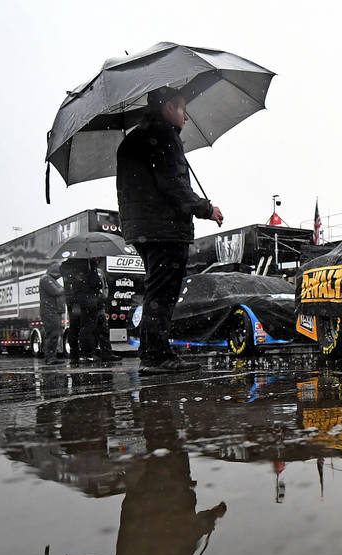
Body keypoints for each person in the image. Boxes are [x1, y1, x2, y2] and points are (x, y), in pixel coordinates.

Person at [116, 86, 224, 375]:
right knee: (163, 293)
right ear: (168, 109)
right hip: (165, 228)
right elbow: (173, 184)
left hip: (141, 229)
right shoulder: (164, 137)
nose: (186, 117)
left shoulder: (132, 141)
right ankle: (157, 356)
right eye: (182, 109)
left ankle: (150, 350)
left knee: (155, 289)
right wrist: (205, 208)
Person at [61, 257, 102, 362]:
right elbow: (96, 283)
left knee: (74, 327)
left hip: (72, 301)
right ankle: (87, 353)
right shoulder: (88, 264)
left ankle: (74, 354)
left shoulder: (65, 266)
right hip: (87, 301)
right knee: (87, 326)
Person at [38, 262, 66, 364]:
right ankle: (49, 358)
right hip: (49, 311)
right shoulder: (45, 279)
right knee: (52, 334)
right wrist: (65, 288)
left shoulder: (51, 280)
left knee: (55, 334)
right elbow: (55, 292)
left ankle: (52, 356)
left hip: (54, 311)